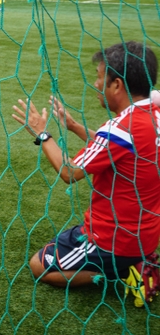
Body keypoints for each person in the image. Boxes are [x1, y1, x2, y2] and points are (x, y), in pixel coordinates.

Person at [11, 41, 160, 306]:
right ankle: (138, 260)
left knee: (39, 266)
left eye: (100, 77)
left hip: (113, 239)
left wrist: (42, 134)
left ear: (117, 85)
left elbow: (69, 172)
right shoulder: (154, 114)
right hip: (145, 234)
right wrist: (76, 128)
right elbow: (120, 151)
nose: (95, 83)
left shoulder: (121, 128)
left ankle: (123, 273)